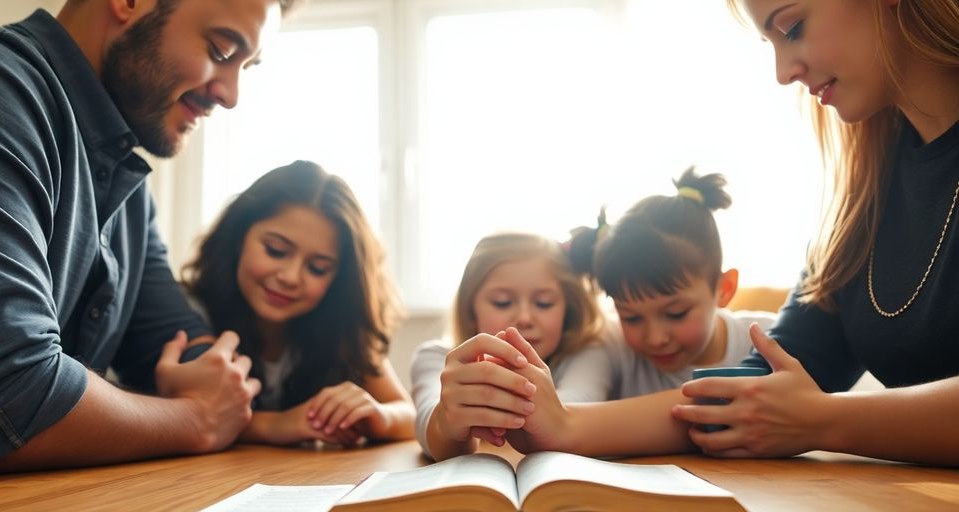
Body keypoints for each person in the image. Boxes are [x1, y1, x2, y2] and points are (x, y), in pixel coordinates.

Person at [477, 0, 959, 466]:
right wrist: (562, 424)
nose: (783, 72)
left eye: (791, 28)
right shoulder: (862, 201)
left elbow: (799, 413)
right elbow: (751, 391)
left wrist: (826, 421)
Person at [0, 0, 300, 474]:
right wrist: (199, 419)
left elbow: (173, 343)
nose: (231, 95)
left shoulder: (126, 183)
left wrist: (232, 399)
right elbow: (4, 400)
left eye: (247, 67)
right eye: (222, 50)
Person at [182, 161, 415, 447]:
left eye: (318, 268)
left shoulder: (343, 329)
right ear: (238, 237)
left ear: (340, 279)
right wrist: (276, 425)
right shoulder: (189, 311)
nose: (291, 277)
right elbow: (179, 411)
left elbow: (407, 414)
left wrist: (379, 415)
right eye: (276, 250)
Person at [410, 232, 610, 461]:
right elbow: (428, 425)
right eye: (502, 302)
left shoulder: (587, 353)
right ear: (470, 310)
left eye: (544, 303)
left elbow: (570, 414)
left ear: (569, 310)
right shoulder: (433, 357)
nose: (524, 318)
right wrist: (446, 421)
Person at [578, 167, 775, 399]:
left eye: (676, 313)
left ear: (724, 288)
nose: (655, 338)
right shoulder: (611, 344)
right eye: (631, 318)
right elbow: (573, 398)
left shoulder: (771, 340)